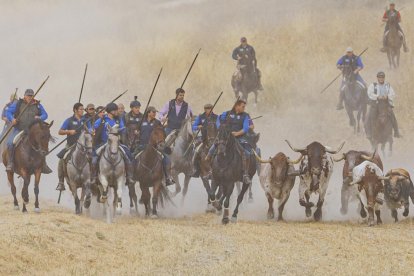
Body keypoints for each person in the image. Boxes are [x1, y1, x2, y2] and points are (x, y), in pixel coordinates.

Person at [207, 99, 253, 185]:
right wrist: (220, 127)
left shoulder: (245, 116)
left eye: (244, 107)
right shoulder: (227, 113)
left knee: (246, 153)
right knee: (211, 151)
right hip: (225, 138)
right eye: (243, 106)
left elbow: (246, 128)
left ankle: (245, 174)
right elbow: (218, 119)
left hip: (238, 138)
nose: (244, 108)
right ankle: (210, 171)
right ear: (237, 106)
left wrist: (237, 133)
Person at [5, 89, 50, 173]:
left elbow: (45, 115)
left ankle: (43, 164)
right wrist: (12, 119)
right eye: (28, 95)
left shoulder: (38, 105)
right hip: (19, 129)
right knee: (10, 143)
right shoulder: (18, 104)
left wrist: (40, 117)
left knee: (42, 143)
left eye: (31, 95)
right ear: (24, 96)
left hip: (33, 131)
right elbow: (8, 112)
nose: (30, 97)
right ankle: (10, 163)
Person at [90, 103, 134, 186]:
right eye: (115, 110)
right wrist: (92, 130)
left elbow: (123, 129)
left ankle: (129, 177)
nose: (117, 111)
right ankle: (94, 177)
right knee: (94, 159)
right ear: (111, 111)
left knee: (128, 156)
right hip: (103, 143)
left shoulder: (118, 119)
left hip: (116, 143)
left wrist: (124, 129)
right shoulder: (102, 119)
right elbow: (92, 128)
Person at [138, 106, 175, 186]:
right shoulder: (141, 121)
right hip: (142, 145)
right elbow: (138, 131)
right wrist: (136, 133)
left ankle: (168, 177)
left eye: (155, 112)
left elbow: (162, 134)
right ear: (148, 113)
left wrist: (163, 126)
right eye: (153, 112)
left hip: (154, 147)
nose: (155, 114)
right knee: (132, 158)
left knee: (167, 159)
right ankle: (131, 176)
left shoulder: (157, 122)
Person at [55, 103, 85, 191]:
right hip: (71, 145)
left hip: (83, 146)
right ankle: (61, 182)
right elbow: (60, 132)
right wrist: (69, 131)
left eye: (83, 109)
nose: (82, 111)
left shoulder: (85, 120)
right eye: (81, 109)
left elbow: (90, 130)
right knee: (62, 159)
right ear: (75, 110)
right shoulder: (69, 120)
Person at [365, 71, 400, 139]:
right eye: (380, 77)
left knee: (392, 115)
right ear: (377, 78)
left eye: (382, 77)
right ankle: (369, 133)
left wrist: (387, 96)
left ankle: (396, 131)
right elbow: (369, 93)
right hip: (376, 104)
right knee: (369, 116)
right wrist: (377, 97)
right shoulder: (373, 85)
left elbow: (393, 94)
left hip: (385, 104)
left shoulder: (388, 85)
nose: (381, 79)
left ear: (384, 78)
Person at [191, 103, 218, 177]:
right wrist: (198, 126)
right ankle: (195, 169)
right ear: (204, 109)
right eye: (207, 109)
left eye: (210, 108)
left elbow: (219, 126)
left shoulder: (216, 117)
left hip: (215, 140)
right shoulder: (201, 117)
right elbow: (193, 127)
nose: (208, 110)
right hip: (204, 140)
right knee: (196, 151)